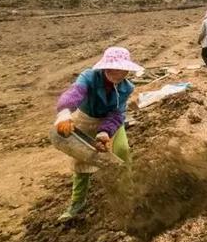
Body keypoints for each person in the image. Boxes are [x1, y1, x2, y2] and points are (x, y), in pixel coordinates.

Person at [53, 46, 142, 222]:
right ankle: (77, 203)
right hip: (84, 120)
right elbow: (75, 93)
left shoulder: (127, 87)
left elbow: (117, 114)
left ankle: (130, 193)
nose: (117, 73)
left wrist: (104, 133)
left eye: (122, 69)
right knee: (81, 162)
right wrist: (64, 113)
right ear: (105, 67)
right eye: (113, 68)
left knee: (123, 152)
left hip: (110, 123)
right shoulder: (89, 77)